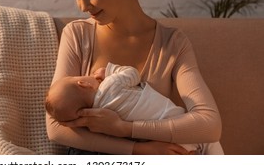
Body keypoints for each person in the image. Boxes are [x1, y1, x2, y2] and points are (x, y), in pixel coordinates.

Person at [45, 0, 222, 155]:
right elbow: (56, 129)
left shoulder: (172, 43)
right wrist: (136, 149)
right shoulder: (78, 35)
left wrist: (124, 128)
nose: (82, 6)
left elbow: (209, 125)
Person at [45, 62, 223, 154]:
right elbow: (132, 74)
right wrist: (109, 70)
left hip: (161, 145)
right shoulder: (110, 84)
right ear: (83, 83)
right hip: (179, 125)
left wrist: (124, 130)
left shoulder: (96, 121)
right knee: (210, 142)